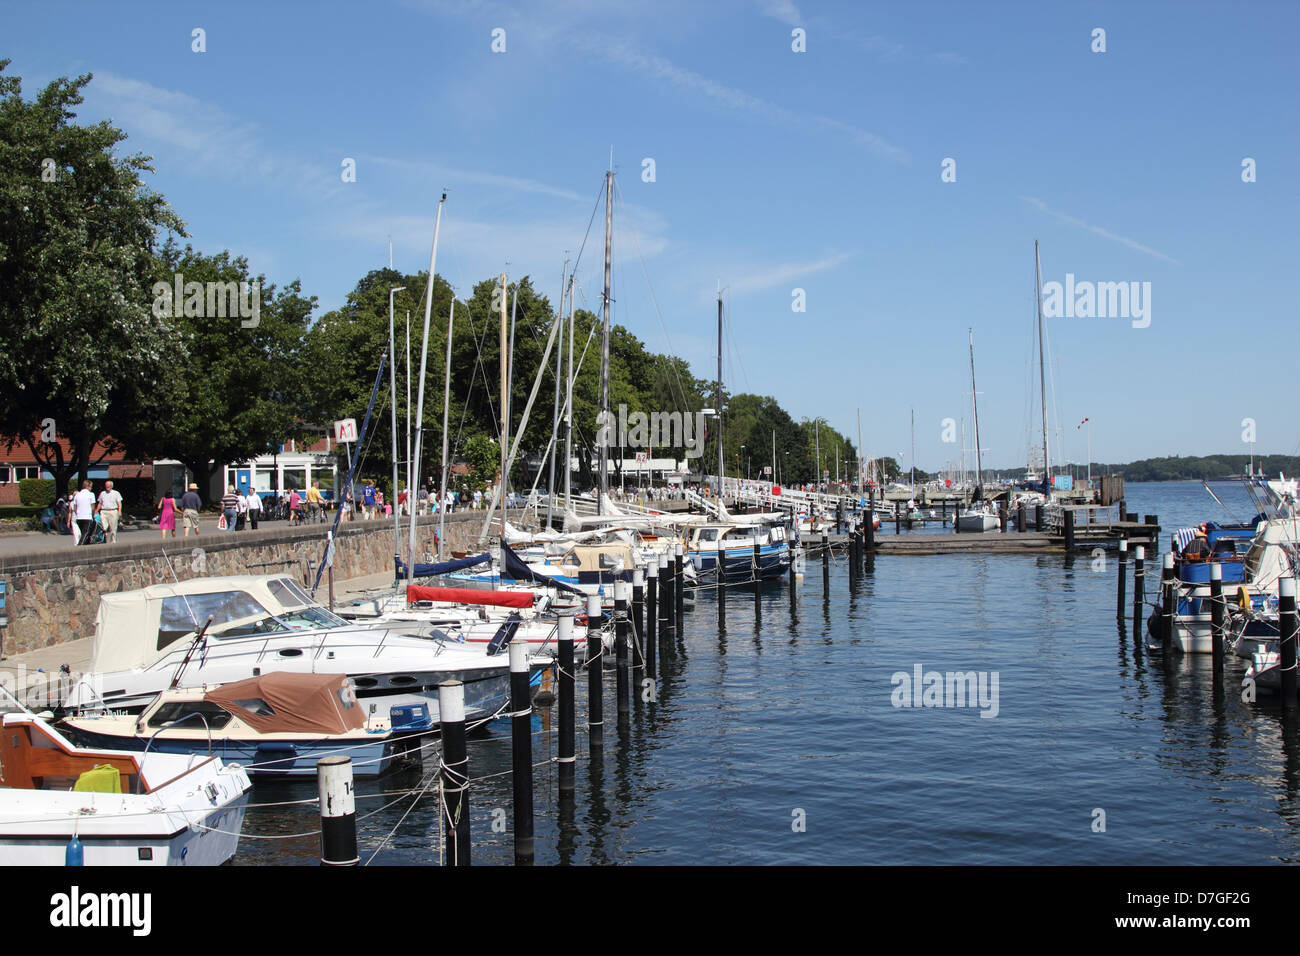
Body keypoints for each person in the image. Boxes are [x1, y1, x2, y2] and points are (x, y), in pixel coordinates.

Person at [73, 481, 96, 545]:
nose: (91, 488)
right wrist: (93, 515)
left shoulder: (77, 495)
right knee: (85, 533)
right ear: (88, 486)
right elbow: (93, 507)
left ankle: (87, 546)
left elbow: (74, 507)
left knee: (84, 533)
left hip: (79, 517)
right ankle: (80, 546)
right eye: (91, 487)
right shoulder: (91, 494)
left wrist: (78, 513)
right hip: (87, 517)